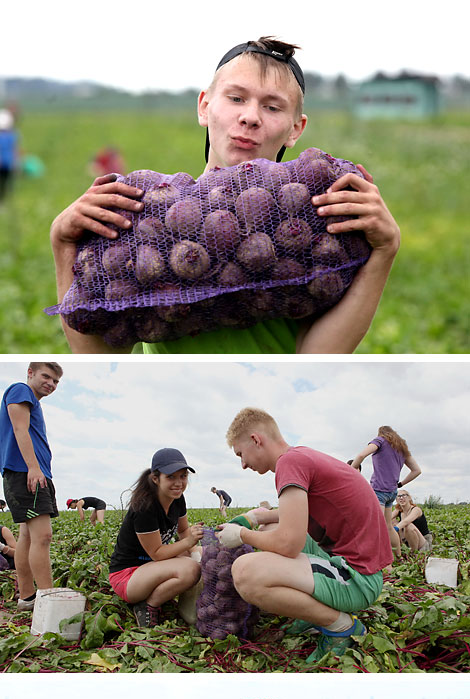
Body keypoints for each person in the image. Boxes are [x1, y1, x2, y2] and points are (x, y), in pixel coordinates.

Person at [50, 36, 400, 356]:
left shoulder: (318, 219)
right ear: (204, 107)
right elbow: (96, 361)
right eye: (236, 98)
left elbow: (318, 360)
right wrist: (63, 244)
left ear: (296, 129)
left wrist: (384, 251)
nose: (249, 117)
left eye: (272, 107)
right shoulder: (143, 213)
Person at [219, 408, 392, 662]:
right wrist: (256, 518)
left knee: (245, 573)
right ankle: (307, 615)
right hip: (363, 568)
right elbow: (299, 511)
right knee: (268, 530)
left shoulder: (288, 464)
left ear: (256, 440)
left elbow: (289, 544)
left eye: (240, 454)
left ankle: (341, 627)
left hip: (358, 579)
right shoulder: (300, 457)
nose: (243, 464)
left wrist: (243, 534)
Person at [108, 447, 204, 627]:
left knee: (200, 555)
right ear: (155, 478)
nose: (178, 483)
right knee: (190, 569)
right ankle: (148, 605)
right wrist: (189, 543)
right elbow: (157, 553)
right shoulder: (145, 507)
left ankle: (174, 598)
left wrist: (197, 551)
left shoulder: (177, 499)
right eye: (171, 477)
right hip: (128, 575)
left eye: (183, 476)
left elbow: (183, 531)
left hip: (152, 569)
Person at [0, 362, 63, 610]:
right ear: (30, 373)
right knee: (43, 536)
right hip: (27, 472)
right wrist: (34, 468)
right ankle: (48, 598)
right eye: (46, 377)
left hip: (30, 473)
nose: (51, 383)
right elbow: (19, 428)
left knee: (26, 536)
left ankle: (27, 597)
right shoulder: (20, 391)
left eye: (56, 381)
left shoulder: (33, 401)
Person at [350, 427, 421, 561]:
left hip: (378, 490)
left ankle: (379, 562)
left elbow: (360, 455)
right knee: (388, 527)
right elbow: (416, 470)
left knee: (375, 527)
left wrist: (351, 470)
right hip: (392, 492)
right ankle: (398, 557)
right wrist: (401, 484)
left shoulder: (380, 441)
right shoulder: (402, 448)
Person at [0, 109, 18, 201]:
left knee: (3, 183)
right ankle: (5, 199)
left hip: (3, 163)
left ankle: (3, 200)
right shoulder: (12, 135)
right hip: (8, 163)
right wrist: (15, 163)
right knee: (6, 183)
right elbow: (14, 150)